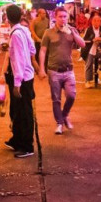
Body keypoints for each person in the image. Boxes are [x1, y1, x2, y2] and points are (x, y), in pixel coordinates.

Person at [39, 7, 86, 135]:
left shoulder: (71, 30)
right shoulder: (48, 33)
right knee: (56, 99)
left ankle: (64, 115)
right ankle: (59, 123)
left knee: (71, 95)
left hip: (68, 70)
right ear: (55, 17)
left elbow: (82, 44)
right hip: (54, 70)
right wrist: (41, 68)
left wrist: (73, 33)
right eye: (60, 16)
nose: (63, 19)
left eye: (65, 16)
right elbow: (43, 51)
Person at [4, 4, 37, 158]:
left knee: (24, 112)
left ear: (7, 18)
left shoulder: (17, 34)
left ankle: (27, 146)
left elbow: (18, 59)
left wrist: (17, 83)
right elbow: (32, 50)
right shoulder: (24, 30)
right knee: (17, 110)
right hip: (26, 76)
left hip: (22, 78)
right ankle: (17, 140)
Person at [82, 12, 101, 88]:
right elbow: (84, 40)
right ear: (92, 22)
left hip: (100, 49)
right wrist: (92, 40)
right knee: (89, 63)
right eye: (94, 21)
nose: (96, 22)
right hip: (90, 49)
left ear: (100, 22)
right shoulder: (89, 29)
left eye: (98, 21)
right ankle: (88, 81)